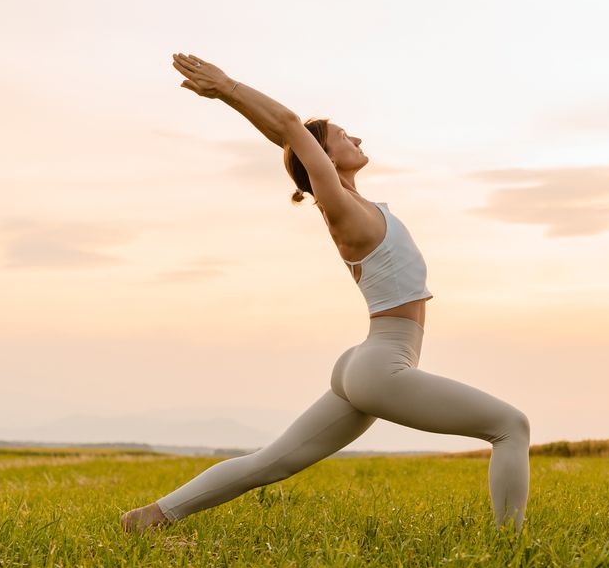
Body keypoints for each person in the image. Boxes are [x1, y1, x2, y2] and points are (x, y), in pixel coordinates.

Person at [119, 53, 530, 533]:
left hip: (366, 362)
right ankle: (510, 548)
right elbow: (291, 127)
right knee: (510, 427)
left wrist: (279, 127)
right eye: (343, 136)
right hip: (382, 365)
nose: (356, 138)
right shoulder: (339, 207)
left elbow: (293, 135)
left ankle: (148, 519)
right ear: (326, 160)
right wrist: (228, 88)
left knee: (269, 464)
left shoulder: (364, 205)